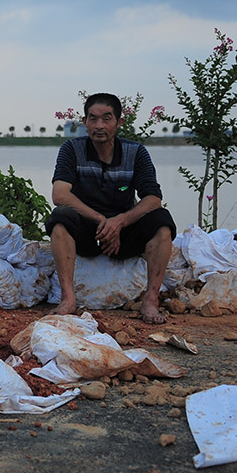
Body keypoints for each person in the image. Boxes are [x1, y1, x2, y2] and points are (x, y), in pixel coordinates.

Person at [45, 92, 176, 324]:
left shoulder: (135, 152)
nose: (99, 126)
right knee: (60, 218)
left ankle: (150, 301)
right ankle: (68, 299)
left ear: (119, 122)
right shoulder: (72, 150)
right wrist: (102, 220)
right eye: (93, 119)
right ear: (84, 122)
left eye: (107, 119)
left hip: (124, 234)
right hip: (87, 232)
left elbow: (153, 198)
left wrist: (120, 222)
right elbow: (60, 194)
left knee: (161, 220)